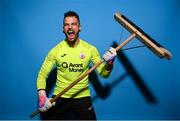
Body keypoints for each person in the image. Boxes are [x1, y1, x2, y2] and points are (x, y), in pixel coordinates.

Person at [36, 10, 117, 120]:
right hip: (60, 96)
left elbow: (103, 74)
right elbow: (42, 75)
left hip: (82, 97)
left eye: (73, 24)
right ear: (63, 29)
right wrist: (42, 95)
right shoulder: (55, 51)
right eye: (66, 24)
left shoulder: (90, 49)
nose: (70, 27)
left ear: (79, 28)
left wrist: (109, 63)